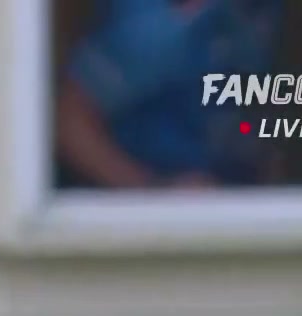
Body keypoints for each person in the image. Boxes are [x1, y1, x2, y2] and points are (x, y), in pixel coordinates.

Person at [53, 0, 283, 189]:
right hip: (143, 217)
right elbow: (69, 122)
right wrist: (155, 191)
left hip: (239, 205)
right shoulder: (154, 26)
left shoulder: (259, 17)